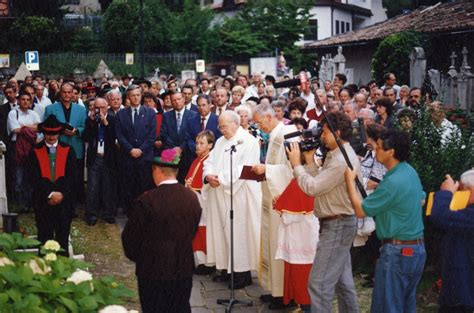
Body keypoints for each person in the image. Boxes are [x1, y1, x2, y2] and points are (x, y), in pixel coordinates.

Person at [345, 129, 426, 313]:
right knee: (404, 305)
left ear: (391, 152)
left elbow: (360, 210)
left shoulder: (393, 182)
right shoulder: (409, 172)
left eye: (379, 148)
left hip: (398, 252)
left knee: (389, 307)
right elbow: (421, 198)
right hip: (415, 250)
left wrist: (350, 181)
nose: (375, 151)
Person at [286, 111, 360, 313]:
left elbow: (312, 188)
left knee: (318, 284)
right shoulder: (338, 154)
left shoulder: (340, 160)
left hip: (337, 225)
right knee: (343, 284)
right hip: (339, 223)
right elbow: (320, 183)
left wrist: (296, 165)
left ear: (336, 132)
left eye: (324, 132)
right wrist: (309, 162)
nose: (321, 137)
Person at [251, 103, 318, 310]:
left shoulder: (287, 135)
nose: (259, 127)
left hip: (285, 200)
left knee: (280, 247)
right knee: (272, 245)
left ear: (270, 118)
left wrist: (267, 169)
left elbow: (293, 168)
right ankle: (275, 290)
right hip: (273, 197)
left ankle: (283, 295)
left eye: (260, 123)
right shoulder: (274, 135)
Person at [122, 148, 202, 313]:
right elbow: (193, 229)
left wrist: (142, 258)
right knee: (180, 307)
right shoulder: (192, 198)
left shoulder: (146, 200)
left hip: (152, 269)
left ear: (157, 171)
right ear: (176, 172)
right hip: (183, 267)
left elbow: (130, 237)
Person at [203, 111, 262, 289]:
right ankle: (225, 269)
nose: (221, 130)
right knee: (221, 231)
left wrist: (219, 179)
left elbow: (243, 169)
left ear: (236, 123)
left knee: (238, 233)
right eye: (220, 126)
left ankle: (242, 274)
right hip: (219, 194)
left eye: (224, 126)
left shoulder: (249, 142)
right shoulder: (220, 142)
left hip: (239, 195)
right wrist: (208, 177)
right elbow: (209, 162)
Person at [27, 115, 76, 255]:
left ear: (59, 133)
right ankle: (45, 272)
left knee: (62, 240)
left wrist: (62, 194)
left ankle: (63, 273)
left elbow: (73, 177)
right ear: (44, 133)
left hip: (64, 202)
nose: (52, 137)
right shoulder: (35, 151)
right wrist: (49, 194)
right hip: (43, 202)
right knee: (44, 239)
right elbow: (32, 177)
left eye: (54, 133)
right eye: (49, 133)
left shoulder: (68, 150)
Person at [430, 171, 474, 313]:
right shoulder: (467, 214)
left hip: (463, 296)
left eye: (461, 190)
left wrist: (446, 193)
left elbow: (439, 216)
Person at [115, 85, 157, 213]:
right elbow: (119, 135)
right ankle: (130, 213)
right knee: (129, 187)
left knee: (144, 186)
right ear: (128, 97)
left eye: (138, 95)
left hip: (145, 157)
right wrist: (130, 150)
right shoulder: (121, 114)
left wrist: (140, 150)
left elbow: (152, 135)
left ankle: (144, 212)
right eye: (133, 95)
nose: (136, 98)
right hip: (128, 157)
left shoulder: (150, 112)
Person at [44, 83, 87, 205]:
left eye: (70, 92)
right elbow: (46, 127)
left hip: (76, 146)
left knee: (75, 176)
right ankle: (59, 199)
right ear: (60, 93)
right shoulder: (50, 109)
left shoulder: (81, 109)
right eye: (64, 92)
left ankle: (73, 202)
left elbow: (86, 127)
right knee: (59, 175)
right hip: (57, 146)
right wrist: (60, 130)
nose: (67, 95)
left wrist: (76, 130)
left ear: (73, 93)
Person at [185, 130, 216, 275]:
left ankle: (208, 262)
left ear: (210, 145)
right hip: (195, 201)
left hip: (205, 203)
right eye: (197, 143)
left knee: (205, 232)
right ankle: (201, 261)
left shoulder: (211, 161)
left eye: (201, 143)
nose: (197, 146)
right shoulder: (197, 160)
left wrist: (193, 190)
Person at [83, 97, 117, 226]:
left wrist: (106, 123)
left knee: (108, 187)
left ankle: (108, 213)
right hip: (95, 156)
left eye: (102, 107)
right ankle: (91, 215)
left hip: (108, 157)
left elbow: (114, 137)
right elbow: (85, 137)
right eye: (96, 107)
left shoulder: (113, 119)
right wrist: (92, 123)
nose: (99, 110)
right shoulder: (90, 120)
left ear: (107, 107)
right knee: (92, 187)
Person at [7, 91, 41, 211]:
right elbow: (15, 130)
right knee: (18, 178)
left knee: (30, 177)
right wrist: (30, 127)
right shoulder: (13, 113)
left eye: (28, 99)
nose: (25, 102)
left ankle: (29, 204)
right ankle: (19, 205)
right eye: (23, 99)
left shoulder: (33, 113)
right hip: (18, 149)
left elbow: (39, 127)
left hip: (31, 149)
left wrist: (24, 127)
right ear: (19, 100)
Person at [160, 91, 198, 183]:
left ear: (184, 99)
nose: (176, 102)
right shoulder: (166, 115)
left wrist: (181, 148)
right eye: (174, 100)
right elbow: (163, 134)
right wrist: (174, 148)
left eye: (179, 99)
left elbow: (193, 135)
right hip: (170, 154)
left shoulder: (194, 115)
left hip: (187, 154)